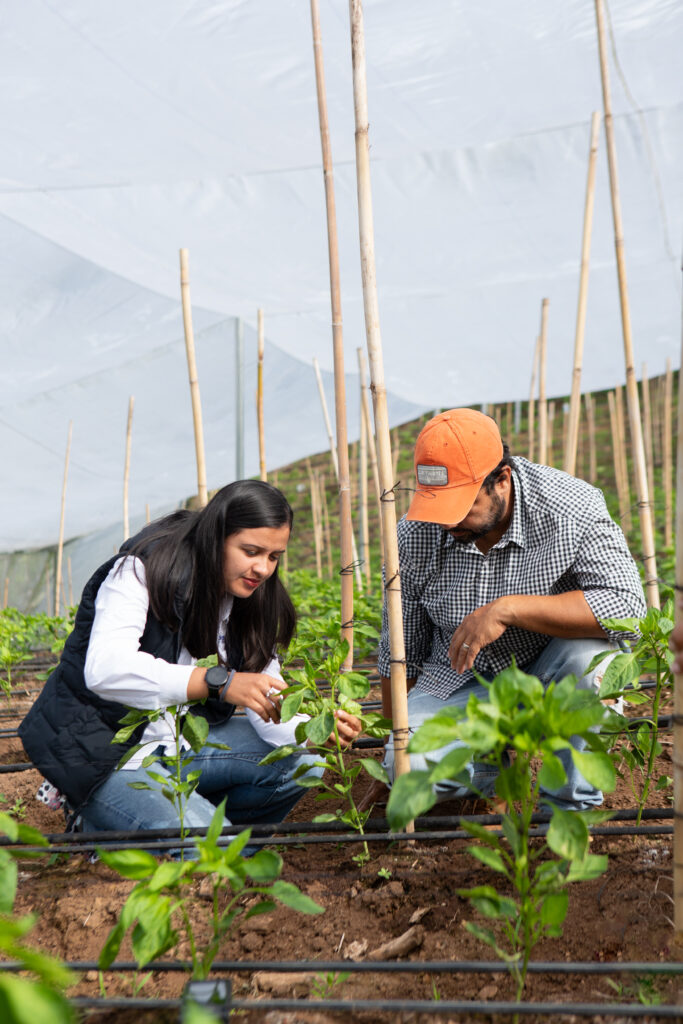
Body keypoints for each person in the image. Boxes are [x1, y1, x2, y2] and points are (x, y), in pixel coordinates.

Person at [20, 480, 360, 843]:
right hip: (103, 756)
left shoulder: (249, 599)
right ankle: (111, 825)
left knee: (302, 764)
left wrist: (314, 731)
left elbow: (266, 698)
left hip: (178, 743)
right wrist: (218, 682)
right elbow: (106, 669)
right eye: (251, 551)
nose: (263, 568)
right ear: (216, 538)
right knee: (213, 847)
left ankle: (192, 834)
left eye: (274, 556)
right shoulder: (144, 570)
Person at [370, 408, 647, 811]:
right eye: (438, 506)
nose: (447, 522)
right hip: (458, 678)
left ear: (502, 479)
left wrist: (508, 609)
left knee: (593, 665)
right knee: (409, 766)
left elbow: (626, 608)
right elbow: (401, 654)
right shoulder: (414, 534)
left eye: (462, 505)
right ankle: (490, 769)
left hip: (548, 668)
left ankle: (568, 811)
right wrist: (393, 752)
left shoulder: (569, 507)